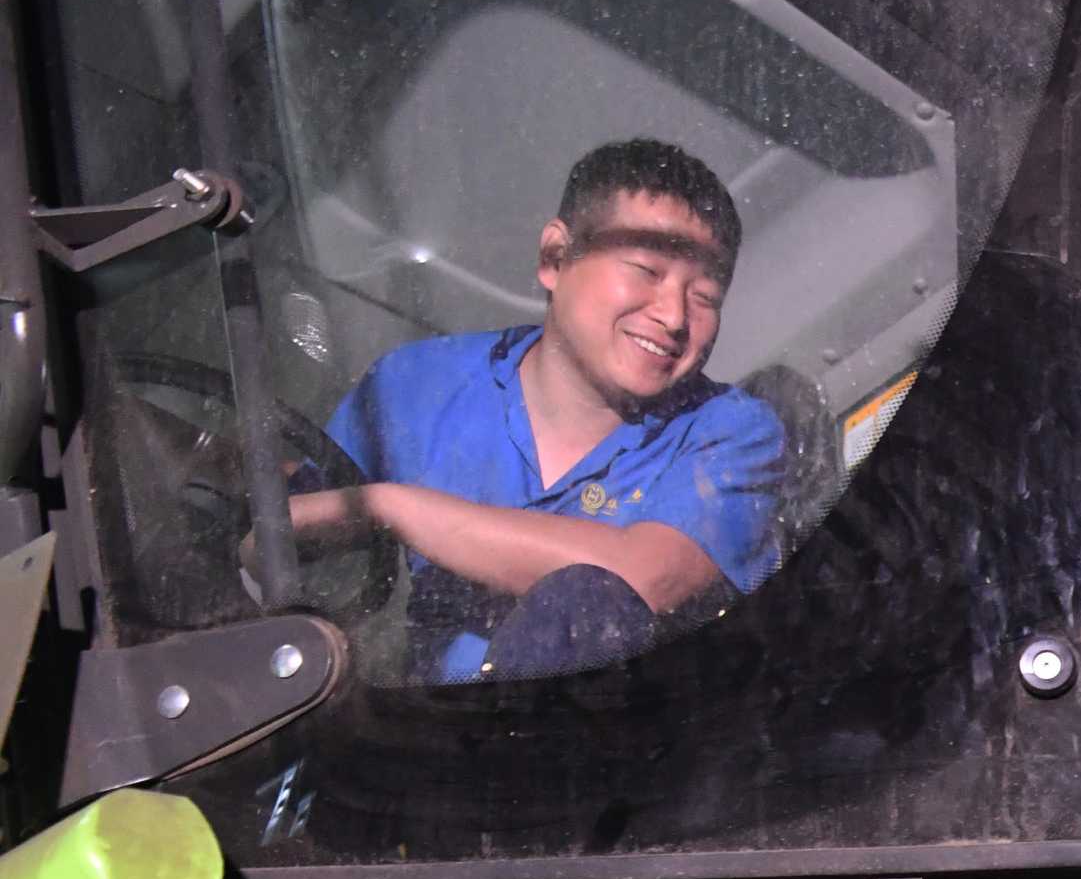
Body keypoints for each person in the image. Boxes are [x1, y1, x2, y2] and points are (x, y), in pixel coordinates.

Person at [300, 138, 786, 681]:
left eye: (705, 297)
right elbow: (278, 539)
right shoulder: (412, 387)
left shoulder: (732, 433)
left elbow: (640, 577)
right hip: (423, 739)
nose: (674, 316)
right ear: (555, 257)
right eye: (647, 270)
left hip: (617, 744)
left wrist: (392, 506)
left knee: (583, 605)